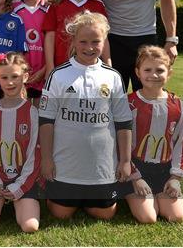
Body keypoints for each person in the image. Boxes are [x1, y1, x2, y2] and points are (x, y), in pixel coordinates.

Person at [39, 11, 133, 220]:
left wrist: (125, 161)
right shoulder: (58, 75)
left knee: (106, 214)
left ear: (104, 40)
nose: (89, 48)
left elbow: (123, 122)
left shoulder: (113, 77)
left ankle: (92, 194)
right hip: (66, 166)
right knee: (60, 214)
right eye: (83, 41)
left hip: (101, 167)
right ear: (73, 40)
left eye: (95, 41)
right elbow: (46, 121)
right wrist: (46, 159)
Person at [125, 45, 183, 223]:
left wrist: (175, 177)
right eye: (147, 70)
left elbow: (182, 142)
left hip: (164, 171)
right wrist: (135, 178)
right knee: (148, 217)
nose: (153, 75)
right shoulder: (128, 104)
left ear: (169, 73)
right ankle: (128, 191)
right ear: (137, 72)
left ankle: (161, 190)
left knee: (176, 217)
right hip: (135, 169)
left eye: (160, 70)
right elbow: (118, 144)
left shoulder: (178, 106)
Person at [0, 52, 41, 233]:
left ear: (25, 76)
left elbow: (35, 155)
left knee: (30, 226)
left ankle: (18, 201)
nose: (10, 82)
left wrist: (18, 187)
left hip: (23, 181)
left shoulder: (32, 112)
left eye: (15, 77)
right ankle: (0, 198)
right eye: (5, 77)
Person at [44, 0, 110, 79]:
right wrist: (50, 67)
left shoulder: (98, 6)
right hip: (61, 70)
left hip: (92, 71)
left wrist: (108, 63)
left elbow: (104, 38)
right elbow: (50, 37)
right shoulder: (55, 5)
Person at [12, 0, 49, 105]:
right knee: (22, 120)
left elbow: (55, 45)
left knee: (42, 121)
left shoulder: (51, 9)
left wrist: (45, 70)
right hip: (19, 76)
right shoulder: (13, 9)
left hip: (44, 76)